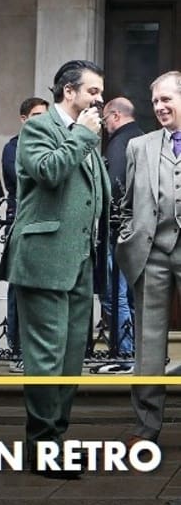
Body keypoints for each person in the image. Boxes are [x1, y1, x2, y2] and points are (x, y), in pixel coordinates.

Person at [4, 60, 110, 479]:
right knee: (46, 357)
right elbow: (48, 172)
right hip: (44, 257)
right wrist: (83, 136)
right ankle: (43, 447)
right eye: (92, 91)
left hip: (80, 259)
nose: (99, 99)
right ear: (69, 91)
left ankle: (56, 440)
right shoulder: (38, 129)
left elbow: (94, 190)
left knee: (70, 358)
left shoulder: (86, 134)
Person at [116, 71, 181, 447]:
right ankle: (145, 427)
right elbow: (127, 204)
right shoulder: (139, 147)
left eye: (166, 99)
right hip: (151, 252)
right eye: (155, 101)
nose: (159, 107)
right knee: (149, 345)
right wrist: (129, 237)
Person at [1, 97, 49, 369]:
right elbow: (25, 181)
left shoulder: (52, 145)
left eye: (45, 115)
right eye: (36, 115)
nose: (42, 120)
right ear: (24, 119)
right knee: (19, 287)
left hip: (47, 224)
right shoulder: (13, 147)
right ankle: (17, 350)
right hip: (21, 222)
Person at [101, 98, 143, 358]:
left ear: (115, 116)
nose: (104, 125)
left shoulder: (119, 143)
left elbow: (114, 188)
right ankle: (138, 352)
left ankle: (125, 353)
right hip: (139, 230)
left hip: (118, 230)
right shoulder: (143, 138)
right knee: (131, 296)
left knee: (115, 295)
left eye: (105, 119)